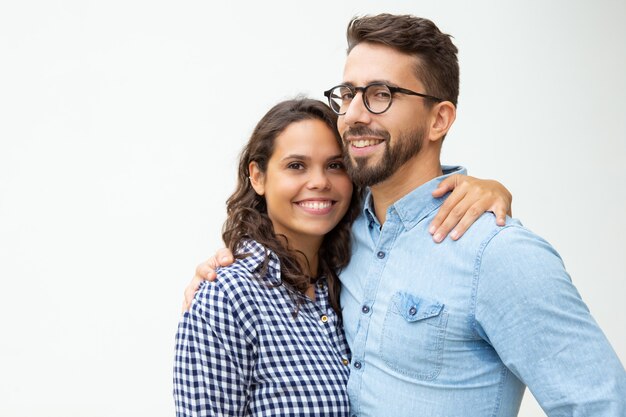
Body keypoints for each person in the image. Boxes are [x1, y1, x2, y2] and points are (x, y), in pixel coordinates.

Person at [185, 14, 626, 416]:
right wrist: (227, 268)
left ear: (439, 120)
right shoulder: (344, 230)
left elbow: (601, 405)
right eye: (349, 94)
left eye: (381, 95)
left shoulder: (496, 254)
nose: (354, 115)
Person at [174, 98, 510, 416]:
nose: (319, 182)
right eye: (296, 166)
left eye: (335, 165)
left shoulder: (352, 272)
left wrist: (490, 187)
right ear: (258, 176)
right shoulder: (226, 296)